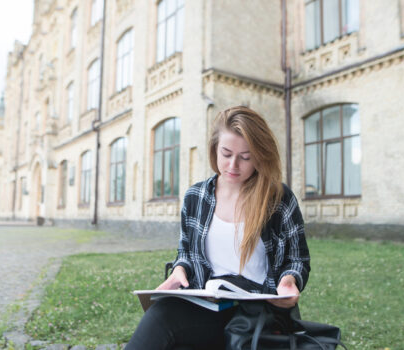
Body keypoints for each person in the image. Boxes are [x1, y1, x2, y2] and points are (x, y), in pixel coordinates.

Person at [125, 106, 310, 350]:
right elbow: (187, 253)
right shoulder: (196, 196)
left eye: (245, 157)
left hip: (260, 313)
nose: (233, 165)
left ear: (260, 155)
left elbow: (297, 259)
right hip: (210, 306)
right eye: (226, 153)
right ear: (214, 149)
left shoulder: (278, 197)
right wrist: (180, 269)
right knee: (162, 314)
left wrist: (289, 280)